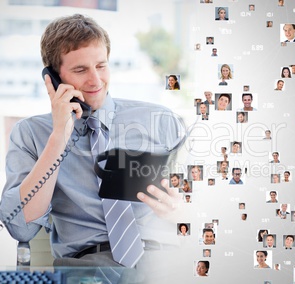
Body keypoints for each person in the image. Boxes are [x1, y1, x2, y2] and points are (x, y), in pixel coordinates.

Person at [0, 14, 184, 274]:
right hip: (86, 269)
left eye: (101, 66)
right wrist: (59, 137)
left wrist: (182, 211)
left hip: (162, 264)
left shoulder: (160, 121)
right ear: (53, 78)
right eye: (80, 70)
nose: (95, 80)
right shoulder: (30, 133)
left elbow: (207, 207)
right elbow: (20, 227)